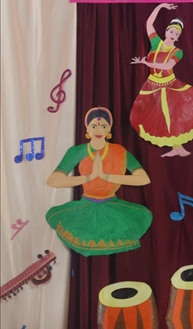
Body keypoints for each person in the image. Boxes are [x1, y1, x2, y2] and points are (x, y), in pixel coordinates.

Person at [45, 107, 152, 256]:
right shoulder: (77, 152)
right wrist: (88, 178)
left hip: (113, 207)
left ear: (109, 129)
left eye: (103, 126)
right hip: (85, 207)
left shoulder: (119, 151)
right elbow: (53, 181)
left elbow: (143, 179)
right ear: (87, 128)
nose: (98, 130)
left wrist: (106, 176)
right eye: (94, 126)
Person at [130, 3, 193, 157]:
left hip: (170, 84)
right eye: (172, 31)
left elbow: (167, 65)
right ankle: (177, 147)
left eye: (177, 33)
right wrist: (160, 7)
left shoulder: (177, 52)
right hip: (152, 85)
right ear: (167, 31)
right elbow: (149, 24)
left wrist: (147, 63)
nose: (173, 34)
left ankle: (178, 147)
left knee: (174, 115)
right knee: (151, 115)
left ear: (178, 37)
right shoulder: (156, 42)